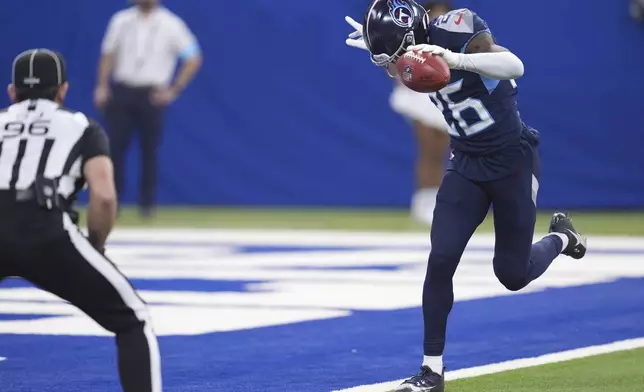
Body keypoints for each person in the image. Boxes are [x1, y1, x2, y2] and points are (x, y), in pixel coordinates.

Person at [345, 1, 588, 391]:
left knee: (512, 274)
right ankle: (432, 371)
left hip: (512, 162)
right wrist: (379, 42)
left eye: (392, 57)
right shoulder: (412, 47)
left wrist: (457, 60)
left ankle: (562, 238)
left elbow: (515, 66)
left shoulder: (458, 29)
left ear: (412, 37)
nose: (393, 69)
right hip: (467, 164)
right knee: (440, 258)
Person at [0, 49, 162, 392]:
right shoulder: (80, 126)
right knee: (132, 321)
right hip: (45, 230)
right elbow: (104, 196)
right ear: (63, 91)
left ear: (11, 92)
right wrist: (96, 246)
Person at [94, 0, 202, 218]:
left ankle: (147, 205)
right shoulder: (121, 20)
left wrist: (174, 89)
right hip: (123, 91)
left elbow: (193, 57)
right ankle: (112, 202)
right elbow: (108, 54)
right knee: (114, 149)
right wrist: (102, 86)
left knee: (149, 151)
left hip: (151, 94)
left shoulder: (171, 24)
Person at [389, 2, 451, 226]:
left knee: (440, 153)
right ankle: (422, 203)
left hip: (442, 99)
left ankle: (435, 202)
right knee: (427, 149)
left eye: (444, 12)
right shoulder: (412, 37)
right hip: (417, 97)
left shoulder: (453, 39)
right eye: (436, 12)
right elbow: (396, 65)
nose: (439, 16)